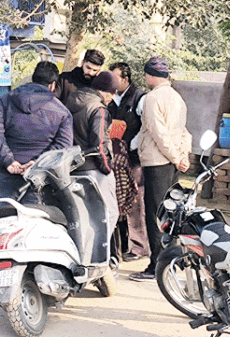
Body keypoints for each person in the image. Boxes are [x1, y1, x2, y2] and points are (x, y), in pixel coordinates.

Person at [0, 61, 73, 289]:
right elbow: (63, 145)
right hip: (37, 179)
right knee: (33, 224)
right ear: (53, 85)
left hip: (5, 173)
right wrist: (35, 164)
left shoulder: (6, 101)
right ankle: (36, 274)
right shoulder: (61, 110)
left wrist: (9, 161)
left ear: (33, 78)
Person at [129, 57, 192, 282]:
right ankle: (172, 261)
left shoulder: (152, 98)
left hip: (158, 162)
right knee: (171, 213)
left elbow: (158, 133)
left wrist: (176, 157)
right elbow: (184, 132)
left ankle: (158, 266)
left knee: (156, 215)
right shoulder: (177, 98)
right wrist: (183, 156)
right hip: (173, 162)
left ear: (150, 75)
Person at [64, 71, 120, 266]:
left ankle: (77, 253)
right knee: (109, 213)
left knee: (81, 215)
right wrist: (107, 168)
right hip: (93, 169)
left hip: (71, 168)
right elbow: (100, 144)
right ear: (103, 91)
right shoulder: (99, 109)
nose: (112, 97)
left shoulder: (70, 101)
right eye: (111, 93)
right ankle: (95, 257)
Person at [107, 62, 149, 262]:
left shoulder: (140, 99)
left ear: (125, 80)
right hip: (115, 162)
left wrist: (132, 145)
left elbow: (146, 127)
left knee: (135, 203)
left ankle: (140, 247)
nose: (112, 83)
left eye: (115, 79)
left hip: (134, 160)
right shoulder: (111, 100)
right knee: (119, 201)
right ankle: (123, 244)